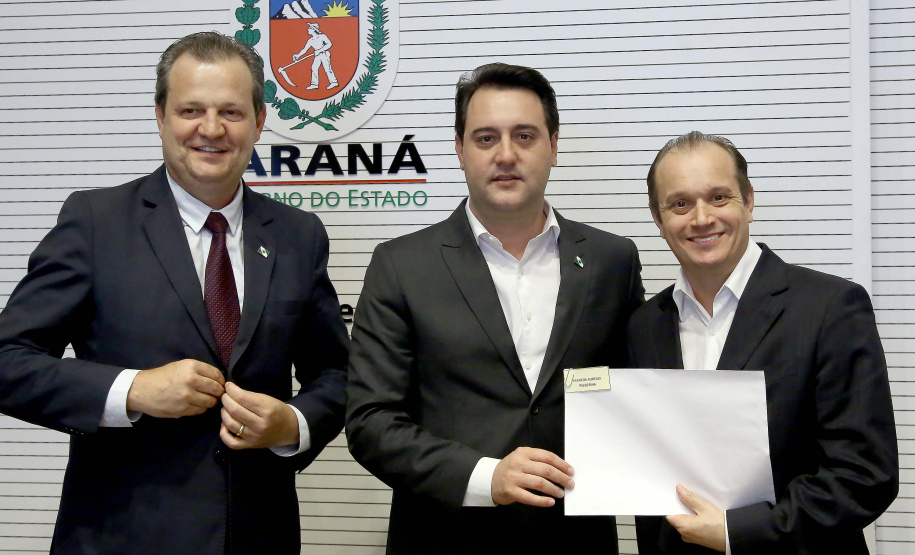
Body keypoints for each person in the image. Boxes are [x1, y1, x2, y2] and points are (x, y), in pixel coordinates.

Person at [0, 32, 348, 555]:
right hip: (121, 537)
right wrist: (132, 390)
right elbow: (8, 360)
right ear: (161, 116)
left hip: (259, 537)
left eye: (231, 111)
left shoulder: (298, 235)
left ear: (259, 119)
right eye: (191, 109)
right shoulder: (95, 222)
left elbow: (337, 374)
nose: (211, 129)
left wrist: (293, 423)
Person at [345, 62, 645, 554]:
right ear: (460, 149)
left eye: (524, 136)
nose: (506, 155)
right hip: (444, 537)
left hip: (576, 539)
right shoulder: (400, 264)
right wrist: (488, 476)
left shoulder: (613, 260)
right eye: (486, 138)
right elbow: (371, 421)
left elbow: (635, 392)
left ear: (553, 145)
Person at [629, 131, 898, 554]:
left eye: (719, 197)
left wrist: (740, 532)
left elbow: (864, 475)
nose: (701, 218)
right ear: (658, 218)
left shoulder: (831, 307)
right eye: (679, 204)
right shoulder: (643, 326)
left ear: (749, 201)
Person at [293, 22, 338, 90]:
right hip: (317, 55)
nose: (308, 30)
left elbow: (329, 44)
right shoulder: (310, 40)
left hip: (324, 53)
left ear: (313, 30)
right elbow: (305, 49)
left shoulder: (322, 36)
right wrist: (298, 55)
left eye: (309, 28)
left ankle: (334, 82)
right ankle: (314, 84)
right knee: (314, 67)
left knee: (327, 68)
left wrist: (319, 50)